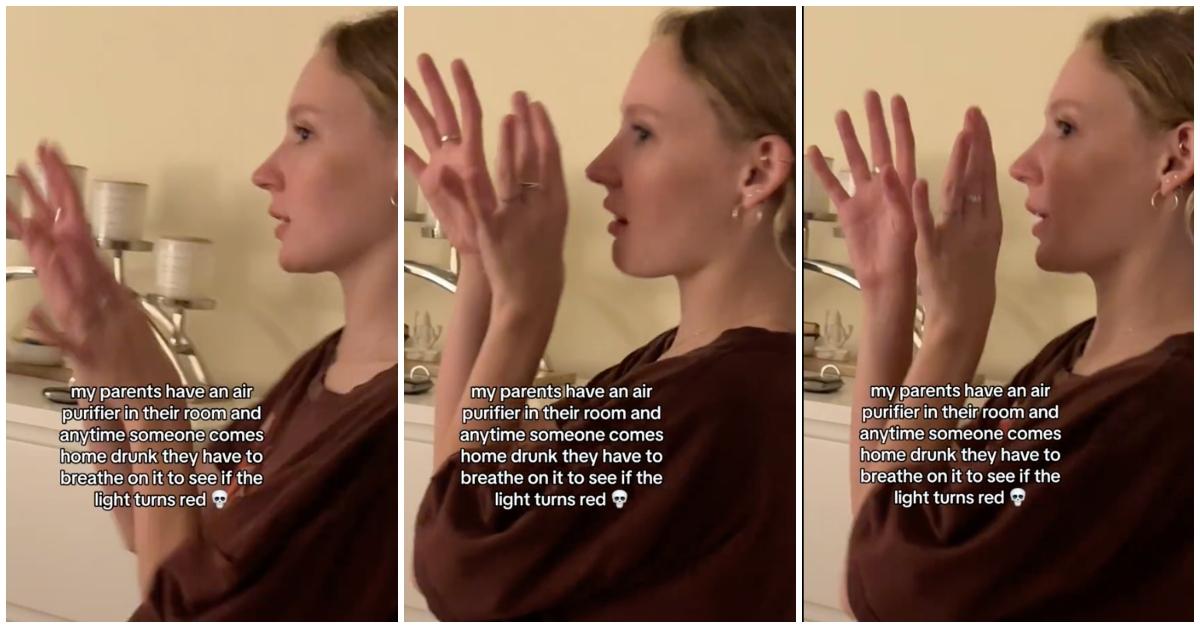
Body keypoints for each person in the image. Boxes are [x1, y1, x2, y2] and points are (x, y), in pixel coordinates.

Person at [404, 6, 796, 621]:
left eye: (642, 133)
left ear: (758, 171)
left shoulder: (719, 401)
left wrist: (524, 308)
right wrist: (480, 263)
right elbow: (468, 506)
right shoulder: (679, 364)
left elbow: (457, 566)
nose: (598, 167)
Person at [6, 9, 398, 620]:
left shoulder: (388, 435)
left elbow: (182, 608)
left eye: (304, 132)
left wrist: (142, 387)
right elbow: (149, 530)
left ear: (406, 165)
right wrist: (106, 367)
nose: (265, 172)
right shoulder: (319, 371)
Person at [807, 6, 1192, 621]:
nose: (1023, 164)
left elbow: (883, 590)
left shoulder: (1159, 412)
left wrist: (954, 327)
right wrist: (887, 292)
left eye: (1065, 128)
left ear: (1176, 158)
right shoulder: (1075, 358)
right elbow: (888, 531)